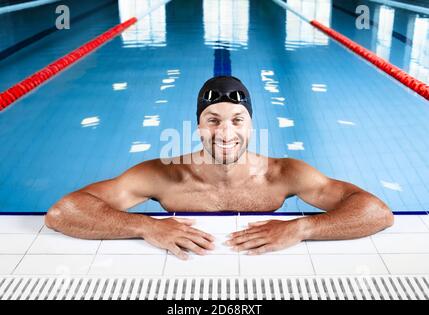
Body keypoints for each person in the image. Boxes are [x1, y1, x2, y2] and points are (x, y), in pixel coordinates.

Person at [45, 76, 394, 260]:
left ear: (251, 125)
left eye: (237, 120)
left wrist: (301, 228)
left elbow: (377, 212)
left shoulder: (285, 173)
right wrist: (145, 226)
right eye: (213, 120)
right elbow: (62, 213)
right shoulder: (161, 174)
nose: (225, 133)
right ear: (198, 127)